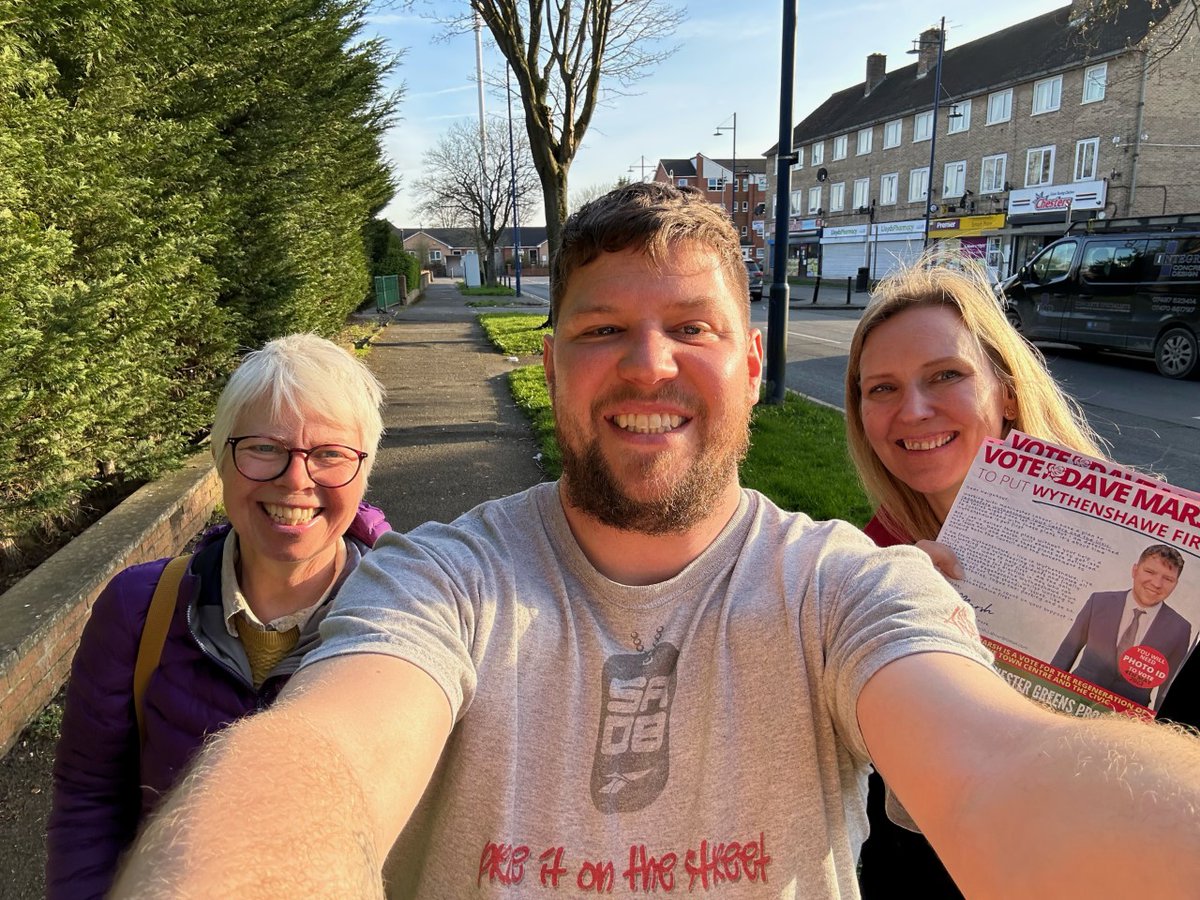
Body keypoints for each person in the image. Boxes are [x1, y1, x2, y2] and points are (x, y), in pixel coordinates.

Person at [114, 184, 1200, 899]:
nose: (648, 364)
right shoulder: (438, 578)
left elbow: (1000, 774)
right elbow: (322, 761)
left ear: (752, 371)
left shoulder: (845, 584)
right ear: (549, 370)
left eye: (692, 327)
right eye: (600, 331)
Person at [844, 263, 1199, 898]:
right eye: (882, 389)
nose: (914, 411)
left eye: (945, 375)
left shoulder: (1141, 552)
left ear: (1005, 391)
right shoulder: (864, 562)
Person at [47, 334, 391, 899]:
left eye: (330, 454)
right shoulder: (138, 610)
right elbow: (90, 796)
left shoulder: (405, 619)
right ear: (220, 460)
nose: (296, 479)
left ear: (364, 471)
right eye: (263, 447)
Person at [1052, 544, 1191, 710]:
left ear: (1175, 583)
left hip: (1127, 719)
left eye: (1168, 579)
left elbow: (1167, 688)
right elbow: (1067, 651)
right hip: (1074, 699)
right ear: (1135, 570)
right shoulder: (1098, 602)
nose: (1156, 583)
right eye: (1150, 572)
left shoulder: (1181, 628)